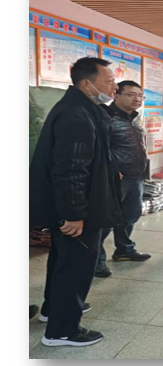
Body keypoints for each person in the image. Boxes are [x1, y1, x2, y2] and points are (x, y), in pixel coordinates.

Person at [29, 57, 122, 346]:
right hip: (80, 208)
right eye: (109, 81)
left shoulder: (83, 108)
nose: (115, 87)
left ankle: (54, 310)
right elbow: (70, 170)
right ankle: (62, 331)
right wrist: (74, 213)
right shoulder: (76, 116)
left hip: (79, 204)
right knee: (76, 267)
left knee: (64, 261)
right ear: (86, 83)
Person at [95, 80, 151, 278]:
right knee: (106, 219)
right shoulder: (105, 116)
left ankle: (124, 250)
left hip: (136, 175)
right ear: (116, 95)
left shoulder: (135, 118)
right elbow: (100, 147)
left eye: (140, 95)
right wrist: (111, 169)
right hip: (115, 178)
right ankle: (96, 260)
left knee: (130, 215)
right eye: (131, 94)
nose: (137, 99)